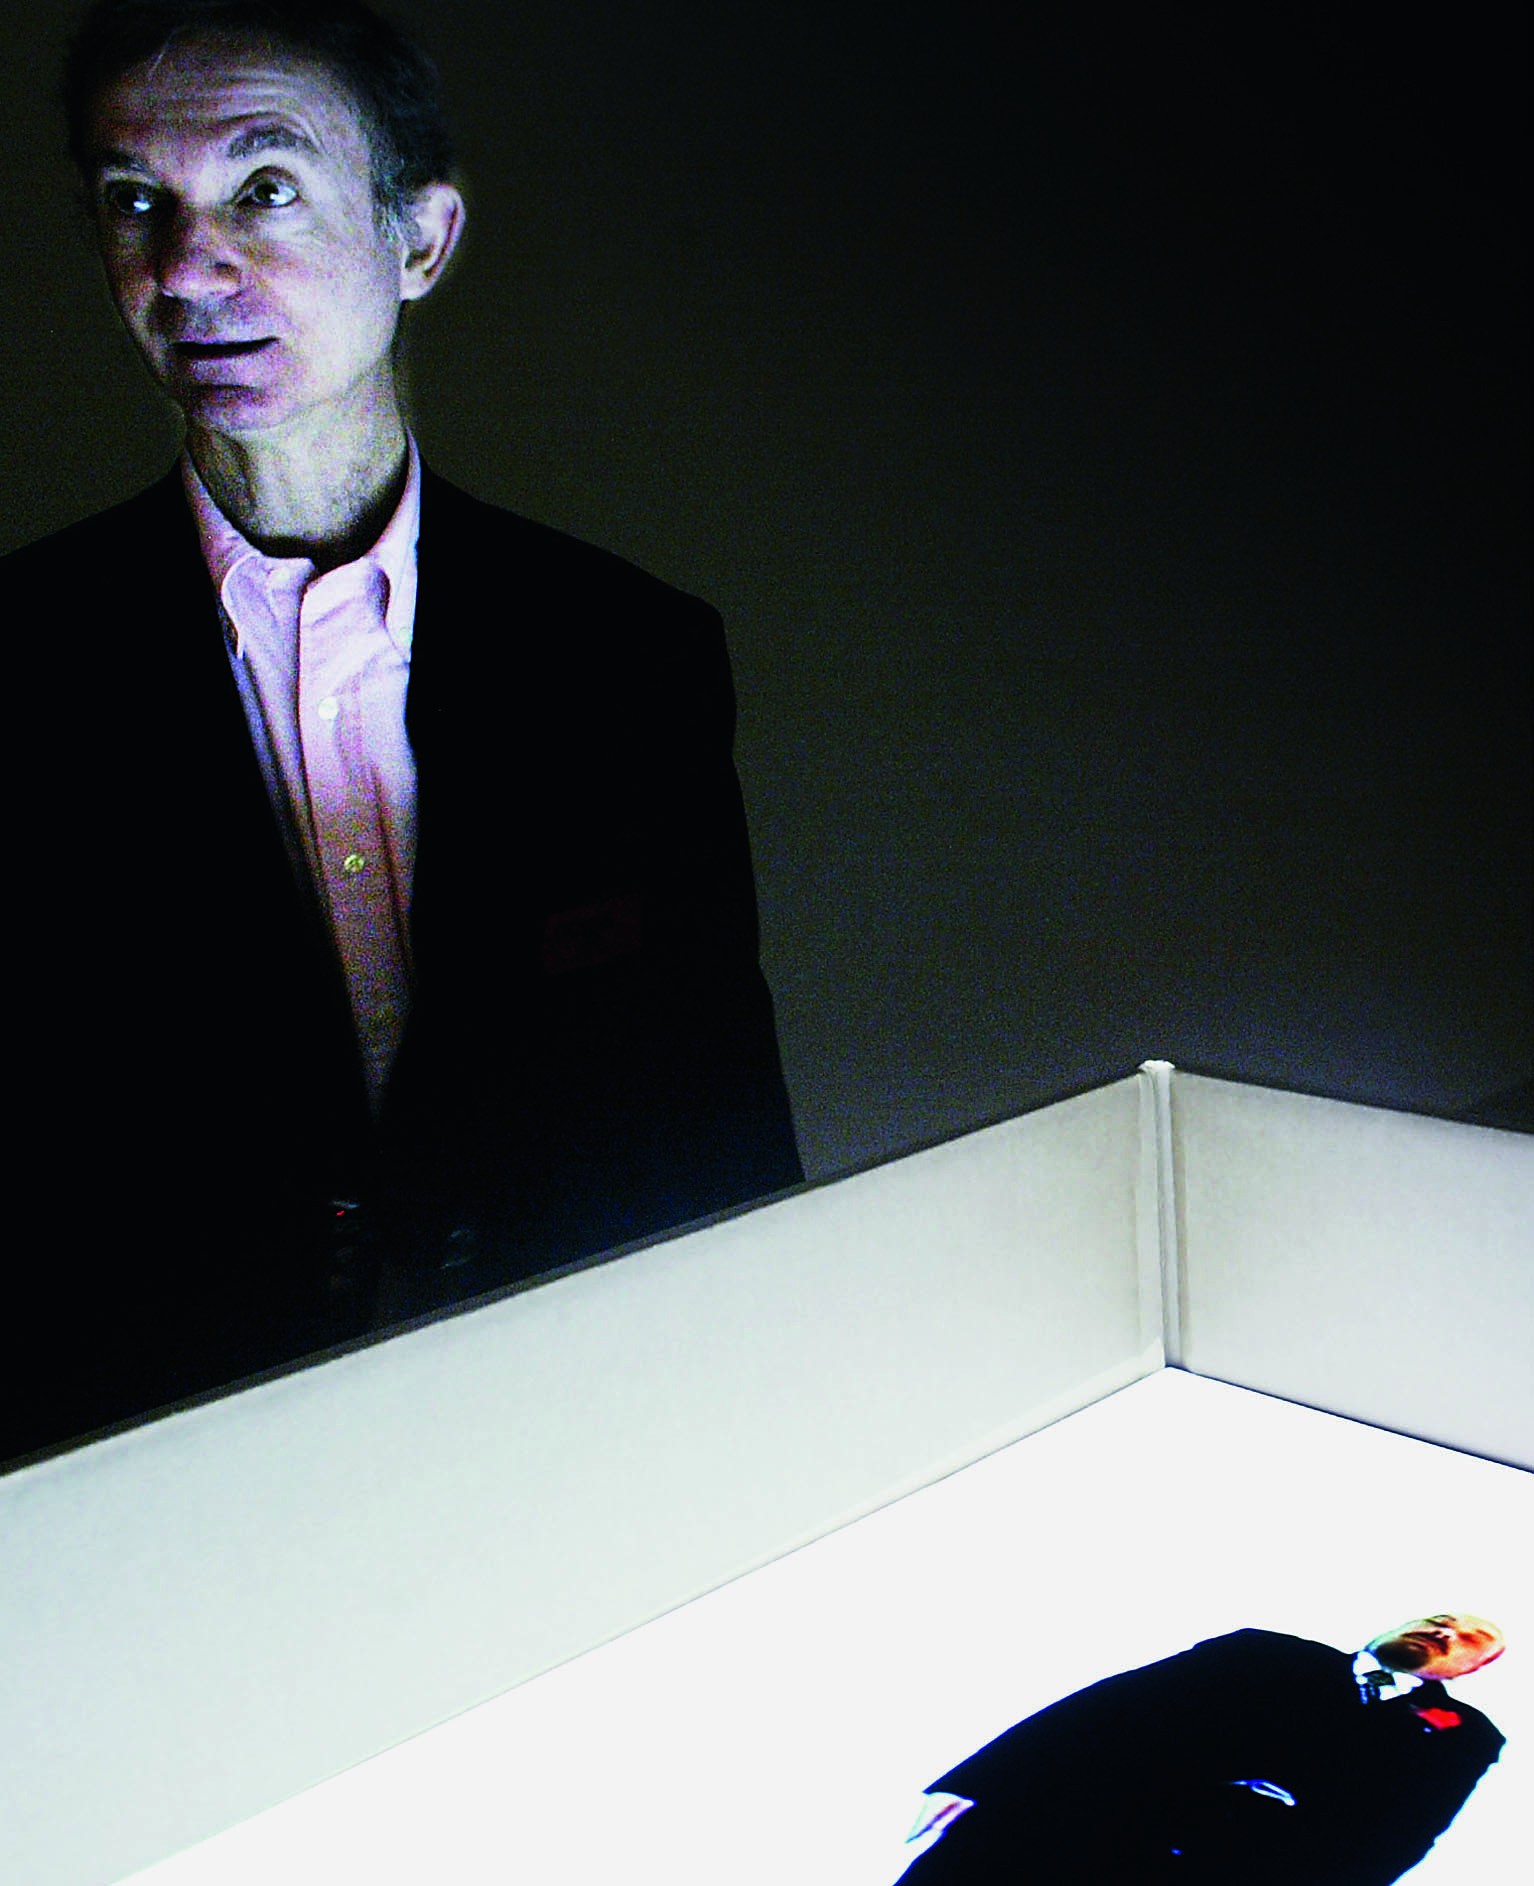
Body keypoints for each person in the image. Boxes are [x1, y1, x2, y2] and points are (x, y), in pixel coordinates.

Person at [3, 0, 800, 1459]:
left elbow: (717, 1132)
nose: (184, 268)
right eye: (135, 202)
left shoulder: (629, 652)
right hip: (152, 1494)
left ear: (420, 239)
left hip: (574, 1450)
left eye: (264, 187)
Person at [900, 1614, 1506, 1884]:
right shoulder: (1262, 1652)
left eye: (1467, 1637)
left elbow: (1399, 1839)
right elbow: (1102, 1708)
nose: (1444, 1630)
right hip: (1054, 1832)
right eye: (1439, 1617)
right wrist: (975, 1784)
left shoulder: (1461, 1737)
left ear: (1471, 1668)